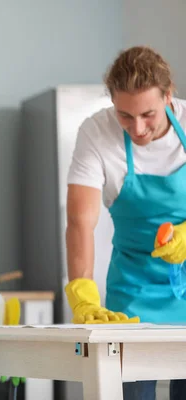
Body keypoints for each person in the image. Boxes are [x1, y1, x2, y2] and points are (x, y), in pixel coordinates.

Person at [65, 45, 186, 399]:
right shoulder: (96, 133)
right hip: (133, 296)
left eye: (148, 114)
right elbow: (79, 221)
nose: (138, 128)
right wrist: (83, 293)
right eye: (124, 115)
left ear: (168, 95)